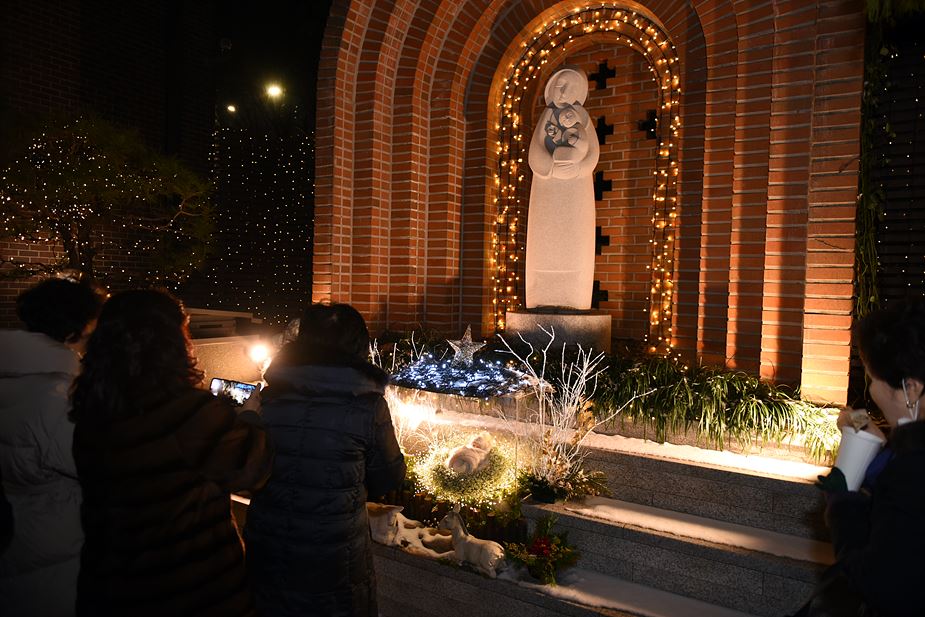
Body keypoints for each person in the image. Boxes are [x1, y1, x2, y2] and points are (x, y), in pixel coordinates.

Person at [70, 289, 272, 617]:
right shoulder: (187, 412)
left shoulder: (94, 412)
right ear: (172, 343)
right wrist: (250, 416)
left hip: (112, 583)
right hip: (188, 588)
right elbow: (254, 469)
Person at [244, 303, 405, 617]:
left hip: (270, 548)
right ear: (359, 346)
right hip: (334, 555)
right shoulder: (368, 404)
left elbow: (249, 469)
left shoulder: (269, 397)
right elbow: (389, 477)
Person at [795, 300, 925, 616]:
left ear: (910, 388)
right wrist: (872, 437)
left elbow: (878, 581)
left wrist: (843, 504)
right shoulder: (909, 452)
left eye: (872, 379)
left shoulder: (912, 472)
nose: (872, 392)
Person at [0, 275, 106, 616]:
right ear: (78, 327)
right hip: (54, 547)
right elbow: (100, 467)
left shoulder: (14, 371)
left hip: (16, 537)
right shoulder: (55, 398)